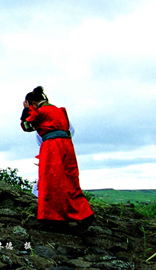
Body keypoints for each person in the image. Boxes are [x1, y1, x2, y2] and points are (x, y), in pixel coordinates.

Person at [20, 86, 94, 229]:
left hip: (52, 147)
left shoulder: (39, 111)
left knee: (51, 182)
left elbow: (27, 126)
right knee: (70, 180)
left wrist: (26, 111)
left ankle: (54, 218)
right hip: (67, 146)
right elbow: (70, 130)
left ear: (32, 102)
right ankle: (84, 213)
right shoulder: (59, 111)